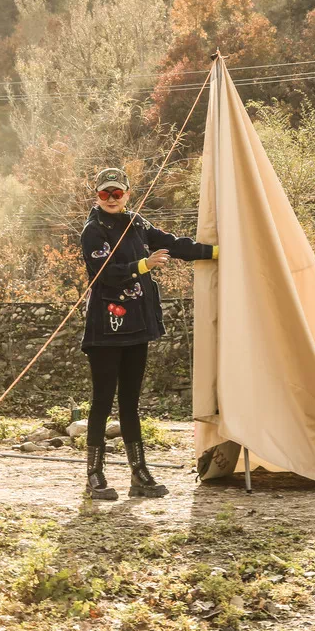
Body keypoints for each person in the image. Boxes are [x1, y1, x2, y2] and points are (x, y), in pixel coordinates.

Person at [80, 168, 217, 501]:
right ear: (97, 196)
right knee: (102, 402)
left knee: (130, 402)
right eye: (104, 194)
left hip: (137, 328)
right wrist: (144, 265)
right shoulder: (92, 231)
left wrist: (214, 252)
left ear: (128, 193)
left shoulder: (137, 223)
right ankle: (94, 476)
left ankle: (139, 474)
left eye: (117, 193)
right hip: (105, 330)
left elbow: (172, 245)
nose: (111, 199)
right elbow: (105, 274)